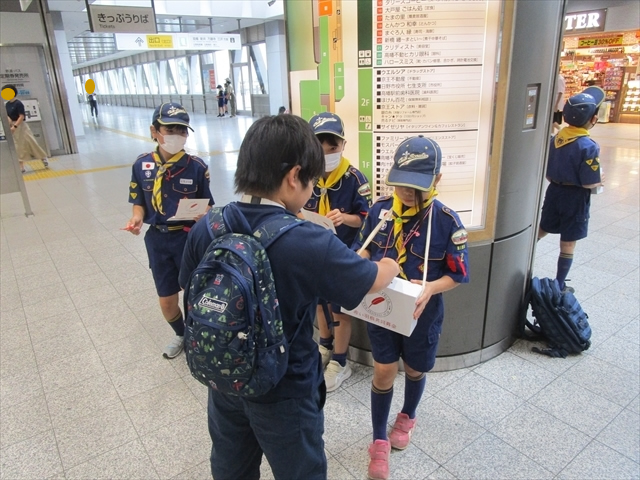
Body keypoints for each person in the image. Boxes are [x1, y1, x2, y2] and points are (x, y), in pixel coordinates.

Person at [178, 114, 399, 480]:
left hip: (224, 379)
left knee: (231, 466)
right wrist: (389, 264)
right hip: (285, 389)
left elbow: (190, 285)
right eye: (311, 180)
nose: (311, 191)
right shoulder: (308, 240)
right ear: (294, 176)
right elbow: (369, 280)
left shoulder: (209, 225)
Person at [352, 135, 470, 480]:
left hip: (423, 312)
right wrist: (356, 264)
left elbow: (458, 273)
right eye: (401, 183)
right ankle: (378, 440)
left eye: (415, 186)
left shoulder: (448, 222)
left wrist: (430, 287)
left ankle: (408, 414)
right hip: (381, 308)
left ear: (436, 180)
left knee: (416, 368)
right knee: (384, 370)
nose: (406, 192)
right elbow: (363, 251)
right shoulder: (380, 212)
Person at [124, 102, 214, 359]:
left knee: (193, 293)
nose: (176, 135)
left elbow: (208, 205)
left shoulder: (196, 166)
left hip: (188, 237)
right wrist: (136, 219)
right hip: (158, 239)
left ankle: (196, 337)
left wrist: (203, 215)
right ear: (154, 131)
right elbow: (138, 202)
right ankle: (181, 333)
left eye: (182, 130)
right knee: (166, 299)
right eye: (170, 129)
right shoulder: (141, 165)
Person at [304, 112, 372, 391]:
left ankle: (341, 362)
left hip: (343, 254)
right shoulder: (306, 177)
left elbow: (367, 219)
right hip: (313, 252)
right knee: (320, 303)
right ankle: (324, 347)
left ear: (343, 145)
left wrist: (346, 218)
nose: (326, 153)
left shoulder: (355, 179)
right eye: (319, 147)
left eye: (332, 146)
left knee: (340, 311)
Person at [538, 86, 605, 294]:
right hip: (575, 198)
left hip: (554, 192)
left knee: (543, 228)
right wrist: (600, 179)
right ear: (593, 119)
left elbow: (548, 172)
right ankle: (559, 283)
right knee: (568, 243)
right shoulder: (588, 146)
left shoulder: (555, 139)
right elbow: (589, 182)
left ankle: (521, 259)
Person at [3, 84, 49, 173]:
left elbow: (21, 116)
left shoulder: (18, 103)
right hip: (12, 126)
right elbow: (7, 116)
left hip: (20, 126)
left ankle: (43, 157)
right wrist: (10, 125)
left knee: (31, 142)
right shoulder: (7, 104)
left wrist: (15, 126)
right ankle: (21, 166)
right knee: (17, 146)